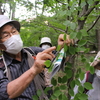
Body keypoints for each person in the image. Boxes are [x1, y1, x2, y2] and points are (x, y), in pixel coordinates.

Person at [0, 15, 73, 100]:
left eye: (14, 31)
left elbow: (57, 60)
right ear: (1, 46)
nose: (13, 37)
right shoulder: (2, 65)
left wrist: (63, 48)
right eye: (6, 35)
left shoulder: (33, 52)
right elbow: (5, 93)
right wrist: (34, 70)